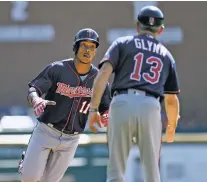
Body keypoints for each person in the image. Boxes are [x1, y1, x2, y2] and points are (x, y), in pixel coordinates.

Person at [88, 6, 180, 182]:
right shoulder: (166, 55)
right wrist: (172, 125)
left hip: (122, 102)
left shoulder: (122, 43)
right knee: (152, 172)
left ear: (138, 26)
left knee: (116, 170)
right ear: (160, 30)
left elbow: (104, 73)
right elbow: (171, 99)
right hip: (150, 105)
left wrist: (94, 109)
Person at [18, 28, 111, 182]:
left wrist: (107, 114)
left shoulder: (99, 79)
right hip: (46, 131)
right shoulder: (58, 69)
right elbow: (34, 88)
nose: (88, 50)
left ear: (95, 51)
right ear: (76, 47)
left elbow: (106, 106)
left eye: (92, 47)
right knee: (30, 178)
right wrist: (36, 99)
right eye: (84, 45)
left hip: (71, 139)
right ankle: (25, 163)